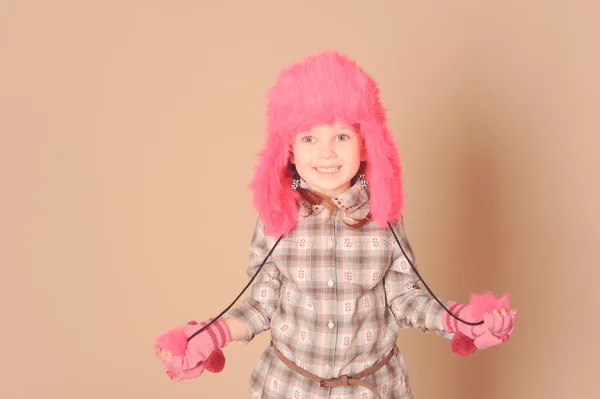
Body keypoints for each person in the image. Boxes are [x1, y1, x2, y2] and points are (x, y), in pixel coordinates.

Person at [153, 51, 519, 399]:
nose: (326, 152)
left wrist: (463, 321)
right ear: (290, 151)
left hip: (370, 388)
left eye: (341, 136)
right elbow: (262, 306)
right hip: (288, 388)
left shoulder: (383, 217)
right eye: (309, 138)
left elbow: (407, 298)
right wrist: (208, 335)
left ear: (365, 145)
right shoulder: (278, 219)